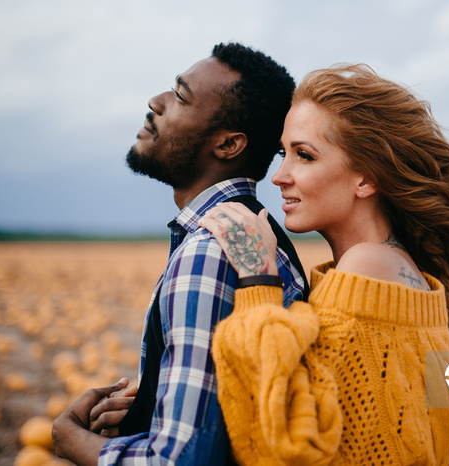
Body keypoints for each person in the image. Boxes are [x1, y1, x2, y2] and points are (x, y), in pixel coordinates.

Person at [199, 64, 449, 465]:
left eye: (304, 156)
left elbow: (288, 447)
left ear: (366, 179)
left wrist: (259, 280)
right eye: (283, 153)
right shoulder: (400, 272)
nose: (279, 176)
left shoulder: (367, 266)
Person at [52, 42, 308, 466]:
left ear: (228, 144)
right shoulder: (251, 236)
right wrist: (151, 408)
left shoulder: (213, 250)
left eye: (180, 96)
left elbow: (180, 461)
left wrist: (70, 440)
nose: (156, 102)